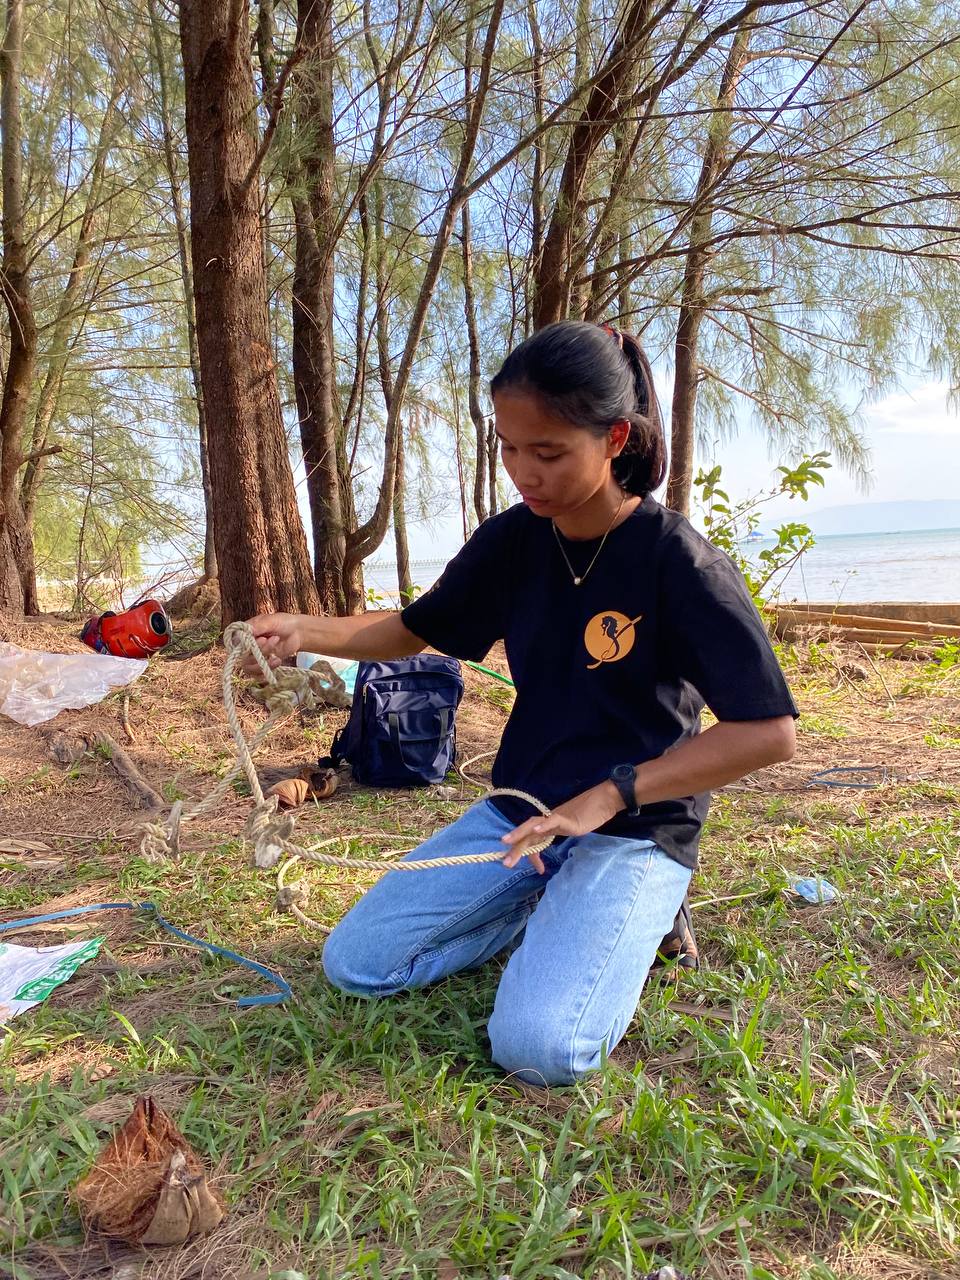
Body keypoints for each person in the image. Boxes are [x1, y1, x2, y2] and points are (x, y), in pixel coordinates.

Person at [244, 320, 798, 1086]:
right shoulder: (514, 542)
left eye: (547, 453)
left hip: (634, 825)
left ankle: (641, 913)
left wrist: (608, 797)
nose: (522, 472)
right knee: (358, 965)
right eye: (508, 446)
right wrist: (308, 628)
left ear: (615, 439)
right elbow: (413, 629)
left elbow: (769, 733)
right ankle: (551, 911)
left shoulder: (680, 562)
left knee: (541, 1050)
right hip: (523, 811)